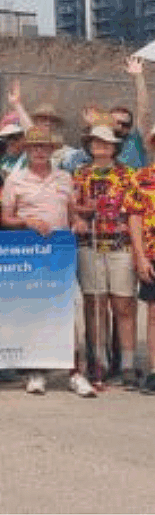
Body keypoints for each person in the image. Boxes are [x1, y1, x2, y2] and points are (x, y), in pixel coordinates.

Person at [3, 127, 93, 397]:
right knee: (35, 310)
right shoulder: (14, 179)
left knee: (69, 311)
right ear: (27, 150)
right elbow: (6, 218)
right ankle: (36, 371)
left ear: (52, 150)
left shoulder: (65, 177)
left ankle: (74, 372)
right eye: (34, 147)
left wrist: (78, 222)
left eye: (44, 146)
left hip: (61, 253)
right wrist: (27, 221)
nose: (39, 151)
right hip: (30, 253)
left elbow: (72, 212)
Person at [71, 125, 139, 387]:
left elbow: (135, 209)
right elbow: (72, 205)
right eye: (96, 141)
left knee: (123, 304)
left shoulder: (128, 174)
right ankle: (99, 361)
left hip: (121, 245)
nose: (101, 146)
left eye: (106, 142)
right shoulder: (80, 173)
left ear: (114, 147)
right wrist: (78, 216)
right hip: (90, 244)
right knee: (95, 303)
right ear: (89, 145)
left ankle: (128, 364)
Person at [124, 123, 155, 395]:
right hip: (152, 255)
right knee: (154, 315)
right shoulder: (141, 177)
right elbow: (134, 218)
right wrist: (141, 256)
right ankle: (154, 371)